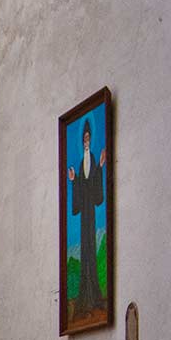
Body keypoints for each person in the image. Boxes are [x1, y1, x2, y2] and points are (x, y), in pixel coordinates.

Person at [67, 118, 108, 317]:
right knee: (84, 251)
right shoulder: (81, 162)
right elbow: (80, 190)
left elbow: (96, 191)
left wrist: (100, 167)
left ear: (90, 140)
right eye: (83, 138)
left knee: (92, 249)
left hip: (91, 212)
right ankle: (85, 298)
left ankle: (96, 296)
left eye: (88, 138)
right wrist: (74, 181)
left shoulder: (92, 158)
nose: (86, 141)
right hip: (84, 215)